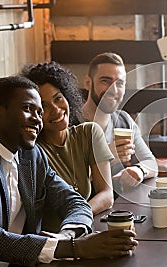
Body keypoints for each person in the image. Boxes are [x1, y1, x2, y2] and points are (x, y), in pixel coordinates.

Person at [0, 76, 138, 266]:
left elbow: (76, 203)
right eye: (27, 109)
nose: (37, 119)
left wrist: (67, 236)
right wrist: (75, 247)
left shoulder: (32, 155)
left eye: (39, 111)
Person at [21, 62, 114, 231]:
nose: (56, 110)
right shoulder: (32, 152)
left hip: (81, 231)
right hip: (52, 243)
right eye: (44, 107)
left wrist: (79, 219)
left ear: (67, 97)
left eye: (58, 99)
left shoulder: (89, 133)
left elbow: (107, 195)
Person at [81, 52, 158, 194]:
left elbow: (151, 162)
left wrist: (139, 170)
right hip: (84, 210)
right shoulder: (70, 123)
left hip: (119, 209)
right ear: (88, 83)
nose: (114, 90)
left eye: (120, 83)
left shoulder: (124, 121)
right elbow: (65, 181)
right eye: (105, 81)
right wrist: (105, 158)